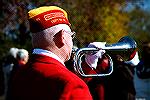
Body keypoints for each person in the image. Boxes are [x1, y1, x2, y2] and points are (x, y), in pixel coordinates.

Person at [9, 6, 92, 100]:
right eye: (71, 35)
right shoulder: (72, 84)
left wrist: (89, 65)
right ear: (63, 37)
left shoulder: (20, 74)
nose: (72, 41)